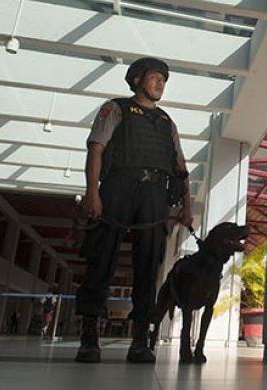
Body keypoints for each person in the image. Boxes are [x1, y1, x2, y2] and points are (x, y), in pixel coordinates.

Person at [74, 57, 192, 364]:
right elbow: (96, 148)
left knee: (149, 263)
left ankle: (141, 340)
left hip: (155, 193)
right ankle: (89, 338)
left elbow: (181, 168)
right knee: (102, 257)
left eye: (164, 80)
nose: (161, 84)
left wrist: (187, 207)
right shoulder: (115, 109)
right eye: (155, 78)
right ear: (137, 79)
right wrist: (92, 192)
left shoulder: (167, 122)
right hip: (118, 186)